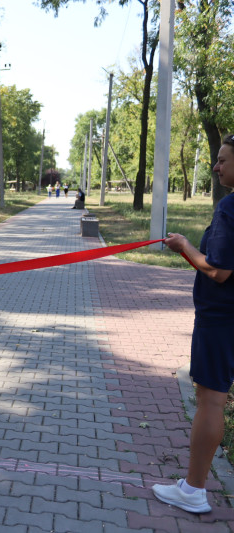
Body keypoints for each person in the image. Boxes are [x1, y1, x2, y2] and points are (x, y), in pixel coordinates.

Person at [152, 134, 234, 514]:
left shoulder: (229, 208)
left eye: (222, 160)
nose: (216, 167)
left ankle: (193, 490)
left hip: (221, 319)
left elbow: (218, 270)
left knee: (211, 400)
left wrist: (185, 245)